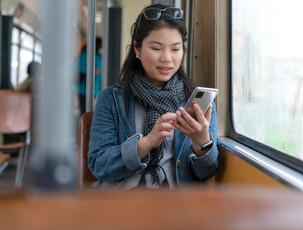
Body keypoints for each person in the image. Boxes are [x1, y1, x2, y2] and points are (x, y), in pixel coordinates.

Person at [88, 4, 219, 191]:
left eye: (175, 49)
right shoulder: (111, 99)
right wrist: (145, 143)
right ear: (137, 49)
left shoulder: (198, 101)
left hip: (176, 207)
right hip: (122, 204)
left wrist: (202, 142)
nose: (167, 58)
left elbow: (207, 172)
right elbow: (99, 166)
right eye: (156, 48)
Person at [76, 37, 102, 117]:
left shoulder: (83, 55)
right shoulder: (92, 56)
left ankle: (83, 128)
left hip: (86, 89)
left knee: (84, 112)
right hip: (90, 89)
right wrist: (92, 71)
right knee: (89, 112)